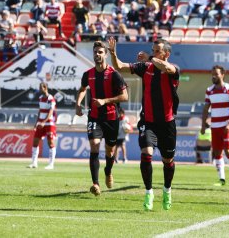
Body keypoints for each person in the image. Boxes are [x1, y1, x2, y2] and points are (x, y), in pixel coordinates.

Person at [110, 37, 180, 211]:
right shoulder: (145, 68)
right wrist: (112, 53)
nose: (154, 53)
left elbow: (165, 66)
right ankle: (149, 192)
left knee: (167, 160)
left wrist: (150, 58)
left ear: (166, 54)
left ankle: (167, 190)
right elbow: (120, 66)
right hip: (148, 122)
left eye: (158, 51)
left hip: (167, 123)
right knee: (146, 154)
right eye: (153, 50)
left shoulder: (173, 69)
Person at [75, 40, 128, 196]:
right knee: (94, 146)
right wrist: (78, 103)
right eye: (95, 52)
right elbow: (83, 89)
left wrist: (105, 101)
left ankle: (108, 171)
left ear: (105, 54)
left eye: (100, 52)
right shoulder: (88, 74)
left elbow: (125, 96)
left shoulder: (114, 74)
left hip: (112, 117)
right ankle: (95, 184)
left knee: (110, 151)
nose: (97, 55)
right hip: (94, 117)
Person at [201, 65, 229, 187]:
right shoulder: (209, 90)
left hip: (226, 125)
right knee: (217, 152)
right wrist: (203, 125)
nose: (214, 76)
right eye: (212, 74)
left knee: (228, 152)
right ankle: (221, 179)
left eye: (216, 74)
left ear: (222, 74)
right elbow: (206, 108)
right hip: (215, 126)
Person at [28, 82, 57, 169]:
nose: (40, 89)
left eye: (41, 87)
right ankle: (34, 163)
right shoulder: (40, 98)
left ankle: (51, 164)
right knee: (35, 142)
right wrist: (36, 122)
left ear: (45, 88)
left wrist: (44, 121)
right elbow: (40, 111)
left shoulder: (51, 99)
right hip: (40, 123)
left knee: (50, 143)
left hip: (49, 123)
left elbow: (51, 112)